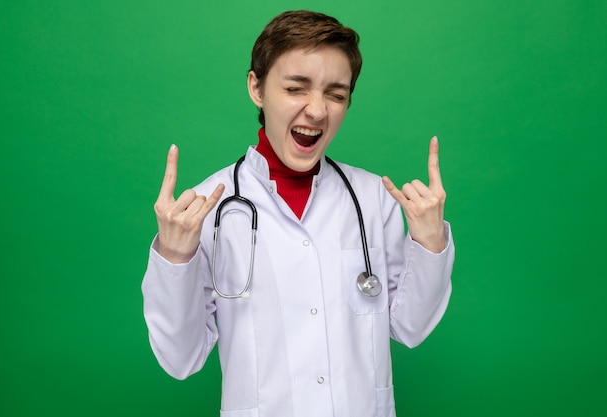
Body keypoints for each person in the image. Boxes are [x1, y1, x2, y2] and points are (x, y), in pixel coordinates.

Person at [142, 10, 454, 417]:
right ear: (257, 88)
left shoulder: (371, 199)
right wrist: (175, 257)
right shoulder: (206, 210)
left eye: (336, 94)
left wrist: (429, 243)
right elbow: (180, 359)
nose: (318, 111)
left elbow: (409, 328)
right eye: (296, 88)